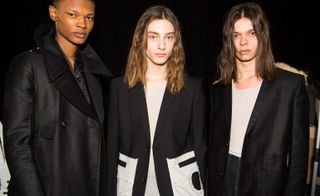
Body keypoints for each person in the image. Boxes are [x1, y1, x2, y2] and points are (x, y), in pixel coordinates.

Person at [2, 0, 111, 195]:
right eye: (73, 15)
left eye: (89, 17)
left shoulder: (93, 75)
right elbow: (17, 146)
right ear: (54, 13)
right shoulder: (28, 65)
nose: (82, 24)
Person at [207, 2, 309, 196]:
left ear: (262, 36)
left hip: (266, 185)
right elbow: (213, 149)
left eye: (251, 33)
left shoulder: (290, 86)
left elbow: (298, 161)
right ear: (229, 40)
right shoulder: (219, 89)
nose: (243, 42)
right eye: (236, 35)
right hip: (223, 180)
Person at [106, 5, 207, 196]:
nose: (162, 45)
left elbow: (200, 148)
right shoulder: (119, 88)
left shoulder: (192, 88)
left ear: (175, 42)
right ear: (140, 40)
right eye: (153, 37)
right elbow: (112, 148)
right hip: (131, 187)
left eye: (169, 37)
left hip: (179, 188)